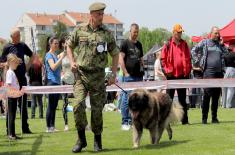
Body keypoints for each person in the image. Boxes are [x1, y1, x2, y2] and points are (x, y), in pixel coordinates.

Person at [67, 2, 119, 153]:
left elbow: (115, 53)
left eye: (102, 14)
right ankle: (81, 139)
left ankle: (97, 141)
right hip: (81, 75)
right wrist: (71, 62)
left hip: (98, 76)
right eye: (98, 14)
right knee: (77, 105)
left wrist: (113, 74)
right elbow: (69, 46)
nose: (101, 17)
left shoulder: (106, 33)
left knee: (97, 110)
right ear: (91, 15)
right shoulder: (80, 29)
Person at [191, 26, 228, 124]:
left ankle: (214, 118)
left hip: (219, 74)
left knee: (216, 97)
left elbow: (227, 54)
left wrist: (223, 44)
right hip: (207, 73)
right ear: (211, 33)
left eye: (218, 33)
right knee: (206, 97)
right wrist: (198, 63)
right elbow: (193, 50)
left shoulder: (220, 45)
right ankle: (204, 119)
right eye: (216, 33)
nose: (218, 35)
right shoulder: (205, 42)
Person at [0, 27, 33, 134]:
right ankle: (9, 130)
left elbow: (32, 55)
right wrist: (9, 63)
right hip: (11, 80)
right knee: (11, 106)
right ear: (13, 37)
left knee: (23, 105)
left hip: (22, 79)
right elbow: (1, 63)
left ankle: (25, 128)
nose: (20, 37)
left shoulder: (23, 45)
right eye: (18, 35)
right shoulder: (7, 47)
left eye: (20, 35)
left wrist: (27, 67)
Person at [161, 24, 192, 125]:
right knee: (168, 100)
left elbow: (188, 58)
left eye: (181, 32)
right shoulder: (168, 44)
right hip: (171, 76)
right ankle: (166, 121)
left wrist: (188, 71)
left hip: (182, 76)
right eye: (178, 32)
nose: (180, 34)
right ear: (173, 32)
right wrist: (166, 72)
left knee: (183, 99)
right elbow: (162, 60)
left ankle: (185, 120)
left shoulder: (184, 44)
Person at [119, 23, 144, 131]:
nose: (136, 34)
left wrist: (143, 69)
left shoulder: (139, 44)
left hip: (139, 76)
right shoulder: (125, 43)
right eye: (134, 32)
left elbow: (141, 59)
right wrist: (125, 72)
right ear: (130, 31)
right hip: (129, 76)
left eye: (137, 32)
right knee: (126, 100)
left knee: (138, 100)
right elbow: (121, 59)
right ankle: (125, 121)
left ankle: (135, 121)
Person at [45, 36, 65, 132]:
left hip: (57, 82)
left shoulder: (55, 54)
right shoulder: (49, 55)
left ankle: (52, 126)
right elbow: (53, 67)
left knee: (54, 105)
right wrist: (61, 58)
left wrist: (61, 55)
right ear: (50, 44)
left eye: (58, 43)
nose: (57, 45)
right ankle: (48, 127)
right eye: (55, 43)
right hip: (51, 82)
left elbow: (58, 61)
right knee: (50, 105)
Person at [5, 54, 24, 140]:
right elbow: (8, 86)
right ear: (10, 62)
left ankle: (13, 133)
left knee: (13, 116)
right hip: (11, 97)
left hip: (14, 97)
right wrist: (15, 92)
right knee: (11, 116)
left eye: (17, 62)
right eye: (15, 62)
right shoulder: (9, 72)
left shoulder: (12, 72)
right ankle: (10, 134)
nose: (17, 64)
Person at [60, 37, 74, 131]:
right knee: (65, 103)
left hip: (74, 81)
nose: (67, 43)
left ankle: (82, 124)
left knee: (80, 103)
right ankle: (66, 124)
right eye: (65, 42)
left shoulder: (73, 54)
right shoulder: (60, 55)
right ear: (63, 44)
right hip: (64, 81)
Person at [222, 44, 235, 108]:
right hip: (232, 69)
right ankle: (228, 104)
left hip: (225, 70)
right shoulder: (233, 54)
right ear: (232, 47)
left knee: (224, 88)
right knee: (231, 88)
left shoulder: (224, 55)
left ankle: (223, 104)